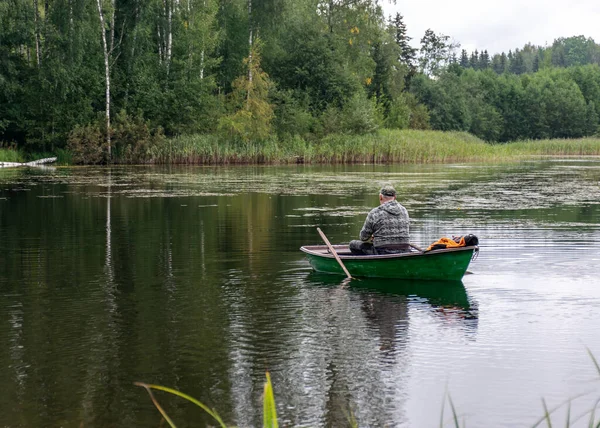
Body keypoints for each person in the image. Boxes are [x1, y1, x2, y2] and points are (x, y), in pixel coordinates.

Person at [349, 185, 410, 255]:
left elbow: (363, 237)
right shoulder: (404, 211)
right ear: (395, 197)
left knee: (353, 244)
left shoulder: (375, 212)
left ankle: (367, 265)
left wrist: (373, 237)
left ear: (380, 197)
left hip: (382, 252)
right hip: (405, 250)